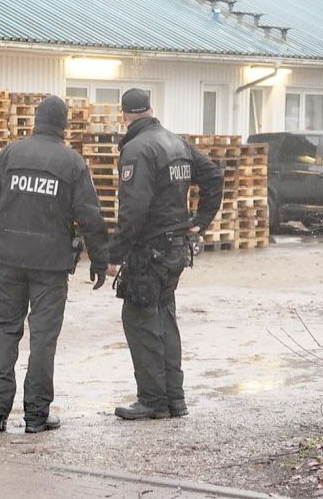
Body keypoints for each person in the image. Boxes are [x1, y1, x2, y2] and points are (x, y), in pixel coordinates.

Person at [0, 96, 110, 434]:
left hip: (8, 262)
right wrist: (100, 260)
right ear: (65, 124)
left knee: (3, 334)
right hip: (50, 266)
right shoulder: (72, 163)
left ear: (35, 119)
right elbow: (90, 216)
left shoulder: (10, 155)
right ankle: (36, 415)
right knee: (43, 340)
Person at [106, 88, 224, 421]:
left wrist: (115, 256)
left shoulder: (137, 149)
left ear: (124, 114)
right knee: (165, 319)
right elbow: (214, 176)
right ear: (151, 109)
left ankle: (153, 400)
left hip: (150, 249)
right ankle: (175, 399)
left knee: (140, 320)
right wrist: (199, 222)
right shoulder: (177, 142)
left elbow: (133, 209)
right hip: (176, 249)